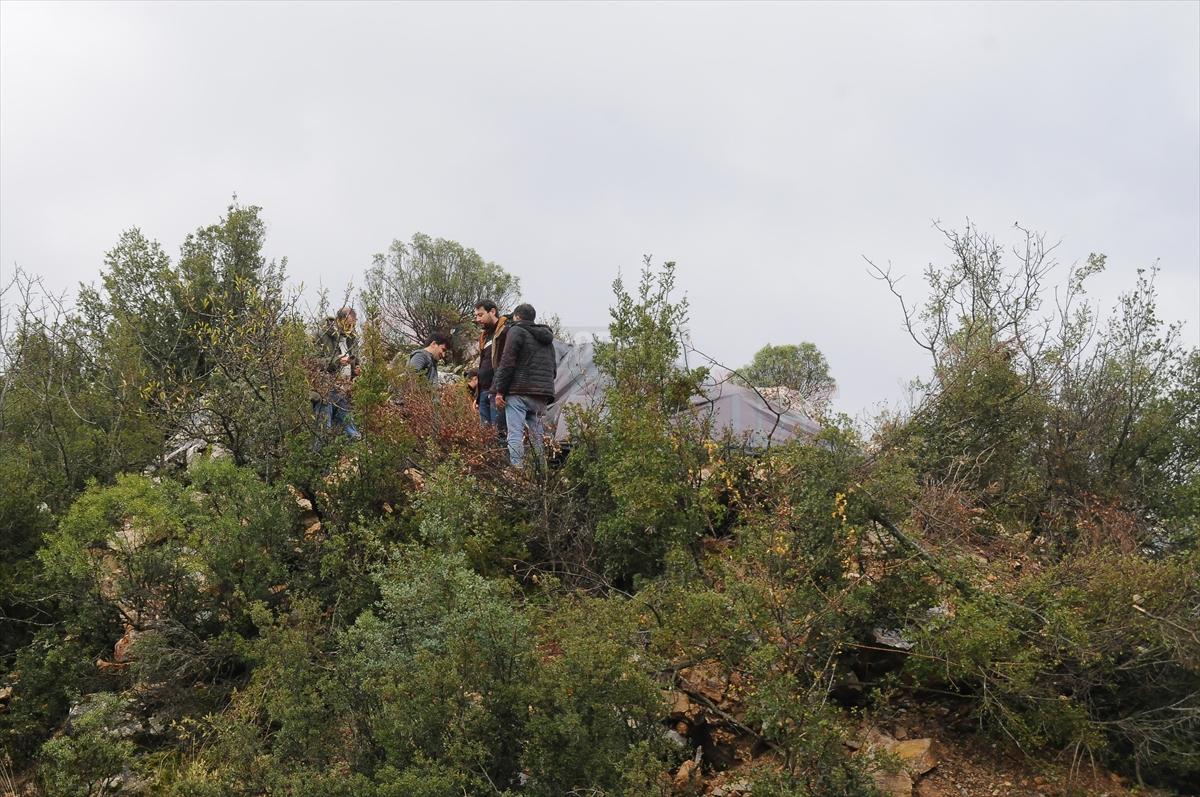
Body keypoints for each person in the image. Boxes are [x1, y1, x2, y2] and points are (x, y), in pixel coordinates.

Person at [493, 303, 557, 466]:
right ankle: (541, 474)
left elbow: (507, 362)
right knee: (537, 436)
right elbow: (553, 369)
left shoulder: (516, 330)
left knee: (515, 434)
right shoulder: (547, 338)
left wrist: (500, 391)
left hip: (518, 392)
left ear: (517, 316)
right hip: (541, 394)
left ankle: (517, 471)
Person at [312, 306, 362, 440]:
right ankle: (317, 459)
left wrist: (356, 370)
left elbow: (355, 361)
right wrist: (336, 361)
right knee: (323, 430)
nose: (350, 328)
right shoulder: (321, 335)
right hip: (325, 391)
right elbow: (313, 362)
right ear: (339, 320)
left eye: (353, 324)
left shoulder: (352, 338)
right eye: (347, 324)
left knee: (351, 431)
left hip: (344, 391)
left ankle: (355, 458)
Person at [472, 299, 510, 428]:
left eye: (480, 315)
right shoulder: (484, 336)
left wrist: (500, 390)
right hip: (483, 391)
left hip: (497, 392)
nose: (477, 319)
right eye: (476, 316)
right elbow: (483, 364)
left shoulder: (505, 332)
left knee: (499, 432)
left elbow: (506, 363)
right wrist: (477, 396)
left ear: (492, 311)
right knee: (485, 434)